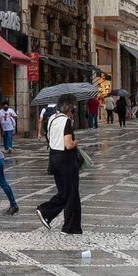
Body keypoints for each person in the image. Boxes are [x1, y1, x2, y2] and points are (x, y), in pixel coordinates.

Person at [36, 94, 82, 235]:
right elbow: (68, 145)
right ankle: (46, 211)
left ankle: (71, 226)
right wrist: (76, 142)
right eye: (73, 106)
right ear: (69, 107)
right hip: (66, 160)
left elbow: (50, 139)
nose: (74, 108)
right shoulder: (66, 121)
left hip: (54, 158)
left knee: (67, 193)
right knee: (70, 193)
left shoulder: (52, 119)